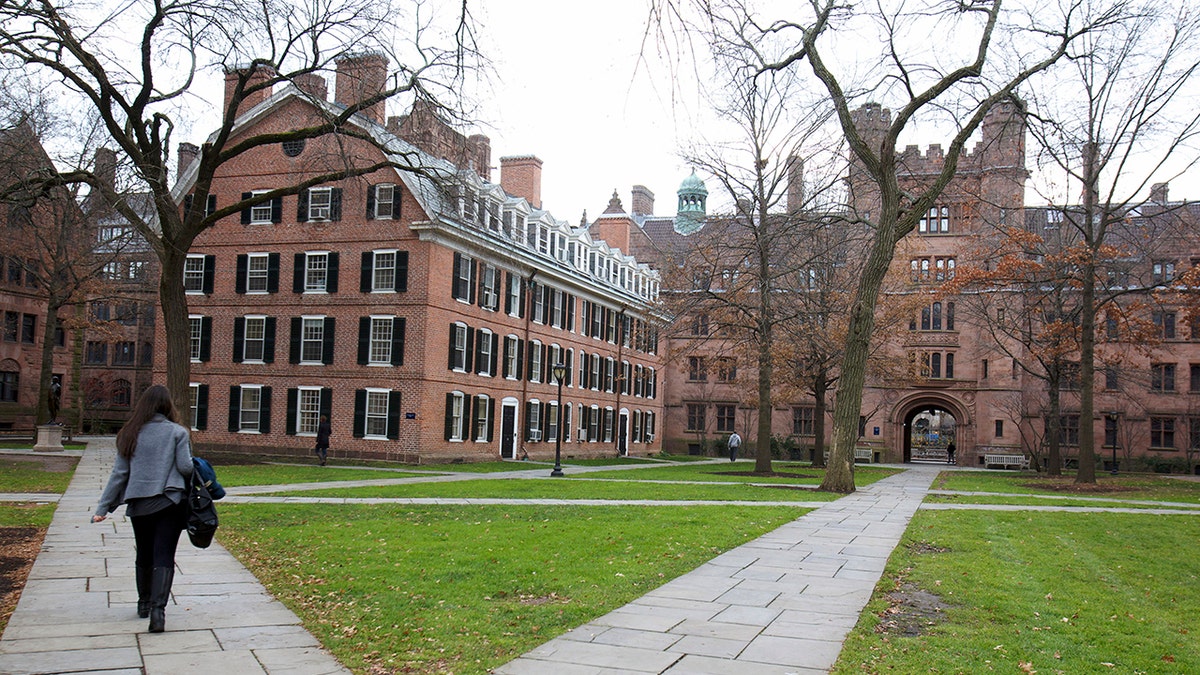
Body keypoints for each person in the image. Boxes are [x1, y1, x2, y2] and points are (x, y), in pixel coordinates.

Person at [92, 385, 192, 633]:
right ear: (167, 405)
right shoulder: (178, 433)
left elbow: (119, 474)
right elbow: (186, 468)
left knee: (144, 553)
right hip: (169, 502)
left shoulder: (129, 433)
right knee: (164, 555)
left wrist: (103, 507)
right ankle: (158, 612)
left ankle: (144, 603)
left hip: (139, 504)